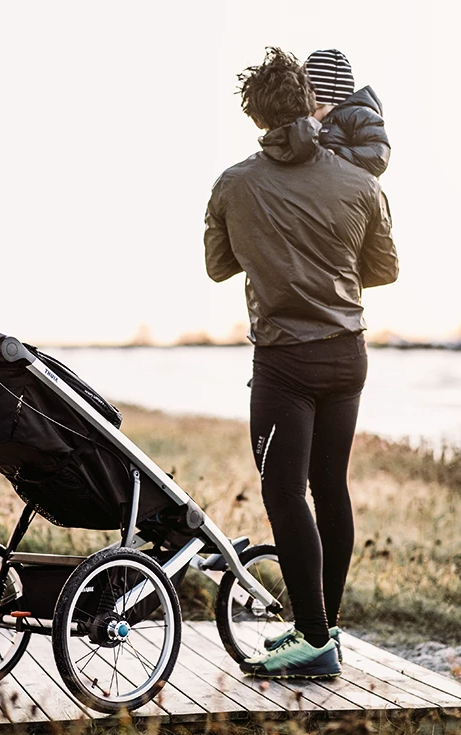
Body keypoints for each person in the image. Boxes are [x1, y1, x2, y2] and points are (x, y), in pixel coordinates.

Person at [204, 47, 398, 679]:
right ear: (317, 102)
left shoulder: (234, 183)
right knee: (330, 487)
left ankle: (314, 638)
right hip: (347, 355)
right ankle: (324, 628)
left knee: (284, 492)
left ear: (257, 115)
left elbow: (217, 265)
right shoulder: (363, 182)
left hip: (285, 362)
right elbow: (384, 270)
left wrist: (271, 249)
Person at [305, 48, 390, 177]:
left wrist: (337, 154)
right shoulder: (324, 122)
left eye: (312, 111)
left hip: (352, 185)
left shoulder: (358, 114)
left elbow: (378, 155)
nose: (307, 117)